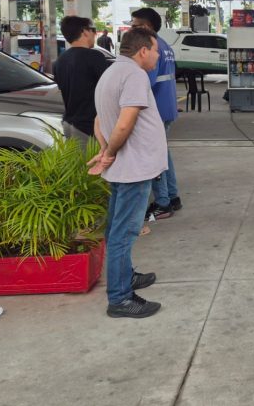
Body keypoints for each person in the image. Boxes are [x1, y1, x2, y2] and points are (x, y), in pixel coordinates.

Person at [89, 27, 166, 318]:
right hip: (133, 168)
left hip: (125, 165)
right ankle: (120, 298)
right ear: (143, 50)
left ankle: (126, 276)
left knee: (115, 228)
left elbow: (99, 119)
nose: (158, 55)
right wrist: (109, 152)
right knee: (124, 232)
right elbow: (125, 122)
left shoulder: (111, 72)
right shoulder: (134, 75)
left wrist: (105, 148)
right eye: (156, 50)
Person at [130, 8, 181, 220]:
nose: (131, 30)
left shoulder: (149, 47)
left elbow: (145, 83)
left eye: (135, 26)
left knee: (154, 157)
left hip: (155, 111)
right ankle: (172, 196)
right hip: (166, 106)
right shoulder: (165, 45)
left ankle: (162, 203)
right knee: (162, 154)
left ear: (146, 26)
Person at [53, 16, 110, 147]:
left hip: (69, 123)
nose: (95, 34)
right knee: (94, 165)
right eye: (93, 30)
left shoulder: (60, 61)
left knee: (77, 165)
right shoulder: (95, 57)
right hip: (90, 126)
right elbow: (108, 89)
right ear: (85, 31)